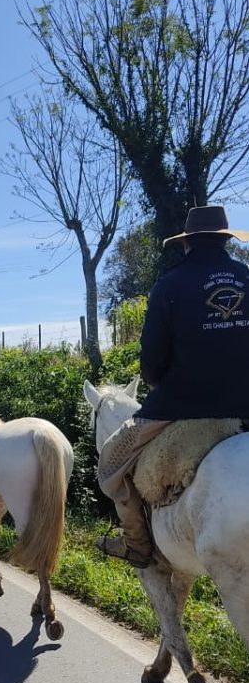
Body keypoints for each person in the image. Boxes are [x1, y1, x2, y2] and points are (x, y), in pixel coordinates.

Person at [96, 204, 249, 568]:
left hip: (184, 404)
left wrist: (163, 385)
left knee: (111, 465)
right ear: (225, 240)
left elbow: (152, 361)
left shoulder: (170, 284)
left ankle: (136, 544)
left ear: (187, 243)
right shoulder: (246, 277)